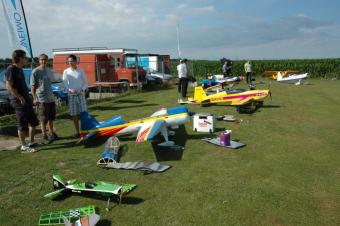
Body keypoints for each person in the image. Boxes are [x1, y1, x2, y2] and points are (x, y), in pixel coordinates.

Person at [5, 50, 39, 153]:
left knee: (33, 122)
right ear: (19, 58)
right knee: (22, 124)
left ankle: (31, 142)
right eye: (24, 57)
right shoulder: (11, 69)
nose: (26, 59)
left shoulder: (20, 69)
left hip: (26, 100)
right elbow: (8, 86)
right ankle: (23, 146)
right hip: (18, 101)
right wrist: (20, 97)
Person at [31, 53, 58, 144]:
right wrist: (34, 98)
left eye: (45, 60)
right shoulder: (35, 71)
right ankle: (44, 136)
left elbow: (52, 82)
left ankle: (52, 133)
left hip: (50, 98)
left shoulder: (49, 71)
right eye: (42, 60)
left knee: (51, 118)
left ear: (47, 60)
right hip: (41, 99)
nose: (43, 61)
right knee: (43, 119)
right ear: (39, 61)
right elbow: (32, 86)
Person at [62, 54, 88, 138]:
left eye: (72, 61)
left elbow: (85, 83)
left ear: (76, 61)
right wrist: (70, 90)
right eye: (69, 61)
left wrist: (82, 89)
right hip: (71, 96)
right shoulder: (66, 71)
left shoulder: (81, 70)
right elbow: (65, 84)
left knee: (83, 113)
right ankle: (78, 132)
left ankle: (85, 131)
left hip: (81, 95)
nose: (70, 63)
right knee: (74, 115)